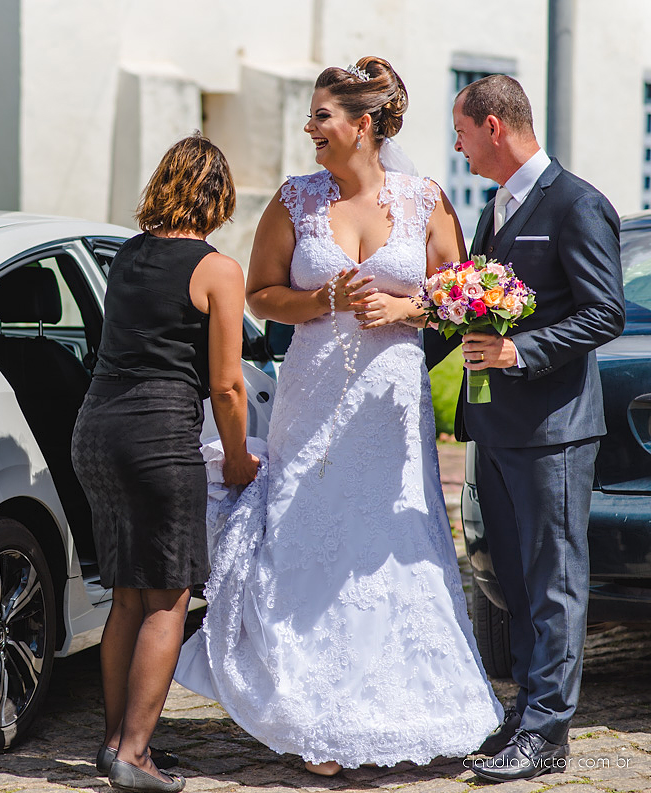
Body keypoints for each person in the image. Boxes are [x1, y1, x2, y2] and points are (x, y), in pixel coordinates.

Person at [174, 56, 503, 774]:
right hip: (314, 394)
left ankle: (398, 705)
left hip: (390, 404)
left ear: (362, 125)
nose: (309, 129)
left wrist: (406, 307)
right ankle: (307, 707)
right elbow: (260, 292)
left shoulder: (424, 200)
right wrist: (323, 302)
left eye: (321, 116)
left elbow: (461, 292)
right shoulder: (296, 199)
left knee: (388, 536)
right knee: (310, 529)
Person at [425, 74, 625, 782]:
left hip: (553, 430)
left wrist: (521, 350)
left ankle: (548, 734)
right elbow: (473, 308)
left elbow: (607, 312)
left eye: (461, 131)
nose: (457, 146)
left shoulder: (576, 204)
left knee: (553, 583)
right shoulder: (495, 208)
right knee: (511, 583)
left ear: (494, 126)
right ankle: (525, 711)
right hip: (494, 425)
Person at [71, 133, 260, 793]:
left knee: (127, 594)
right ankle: (135, 753)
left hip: (96, 432)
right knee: (168, 597)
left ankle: (114, 741)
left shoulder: (125, 256)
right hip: (158, 440)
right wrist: (238, 456)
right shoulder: (216, 269)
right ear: (219, 197)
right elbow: (229, 384)